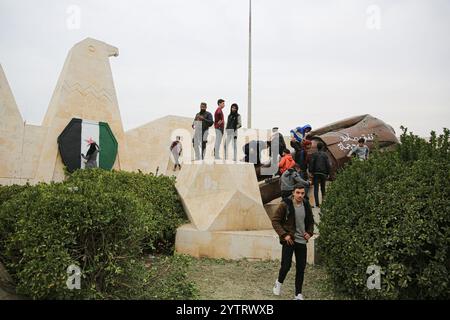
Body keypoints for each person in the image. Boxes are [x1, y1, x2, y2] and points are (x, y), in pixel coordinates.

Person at [271, 185, 314, 300]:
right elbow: (275, 221)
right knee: (286, 266)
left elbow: (310, 221)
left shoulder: (306, 204)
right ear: (293, 193)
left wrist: (309, 233)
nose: (300, 195)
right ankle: (278, 283)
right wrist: (284, 235)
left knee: (301, 267)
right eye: (298, 193)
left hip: (301, 241)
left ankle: (298, 294)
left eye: (302, 193)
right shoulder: (285, 204)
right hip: (289, 240)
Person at [309, 142, 330, 208]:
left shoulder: (314, 154)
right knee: (323, 188)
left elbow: (311, 163)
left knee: (316, 189)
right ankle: (323, 202)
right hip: (323, 174)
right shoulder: (325, 155)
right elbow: (328, 165)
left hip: (316, 173)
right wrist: (328, 173)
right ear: (322, 147)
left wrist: (311, 172)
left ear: (317, 147)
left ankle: (317, 204)